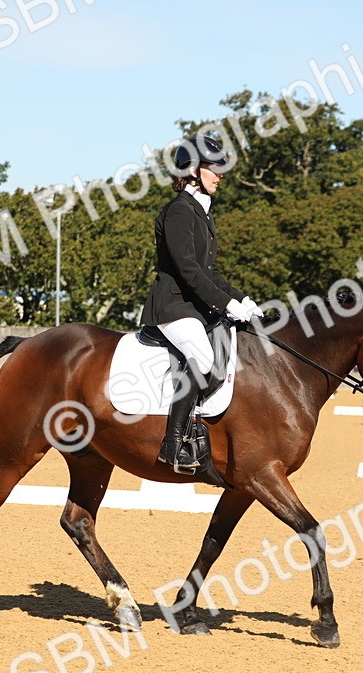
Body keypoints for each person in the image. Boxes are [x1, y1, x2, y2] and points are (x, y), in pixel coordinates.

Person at [140, 136, 262, 472]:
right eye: (215, 168)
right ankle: (173, 443)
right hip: (173, 307)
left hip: (194, 307)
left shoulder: (201, 213)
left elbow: (211, 273)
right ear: (193, 170)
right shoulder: (180, 211)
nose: (221, 174)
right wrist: (226, 305)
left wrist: (241, 300)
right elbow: (189, 272)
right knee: (203, 357)